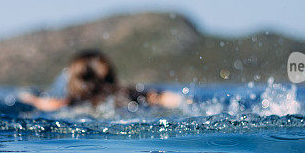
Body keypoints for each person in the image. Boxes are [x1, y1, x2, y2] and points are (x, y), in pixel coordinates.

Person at [18, 50, 183, 111]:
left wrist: (28, 97)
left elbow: (42, 104)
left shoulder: (70, 102)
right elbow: (173, 99)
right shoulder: (130, 93)